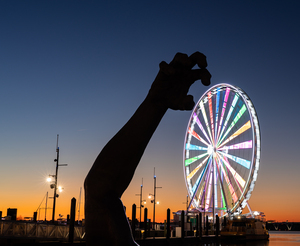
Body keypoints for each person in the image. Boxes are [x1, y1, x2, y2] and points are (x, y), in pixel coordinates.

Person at [84, 52, 211, 245]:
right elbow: (99, 188)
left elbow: (98, 188)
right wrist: (155, 105)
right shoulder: (101, 193)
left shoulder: (100, 196)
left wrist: (154, 105)